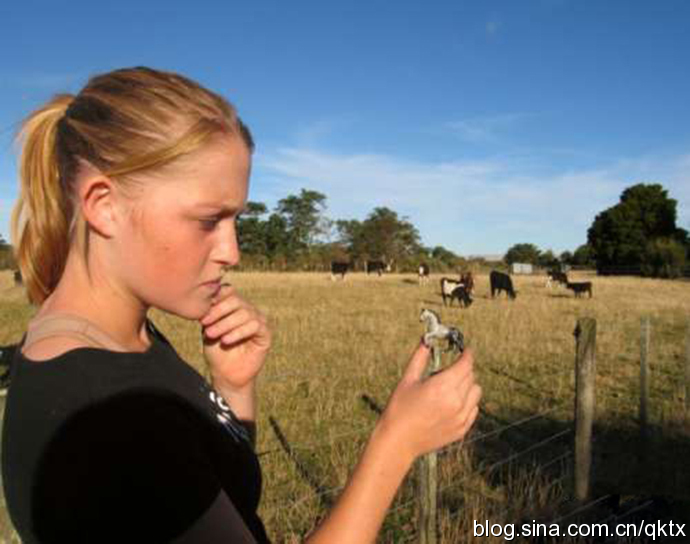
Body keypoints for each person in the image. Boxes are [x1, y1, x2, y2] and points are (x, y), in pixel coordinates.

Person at [1, 66, 482, 543]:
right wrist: (395, 444)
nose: (232, 251)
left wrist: (233, 387)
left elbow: (212, 492)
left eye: (236, 221)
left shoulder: (112, 341)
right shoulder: (115, 418)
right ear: (104, 205)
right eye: (209, 220)